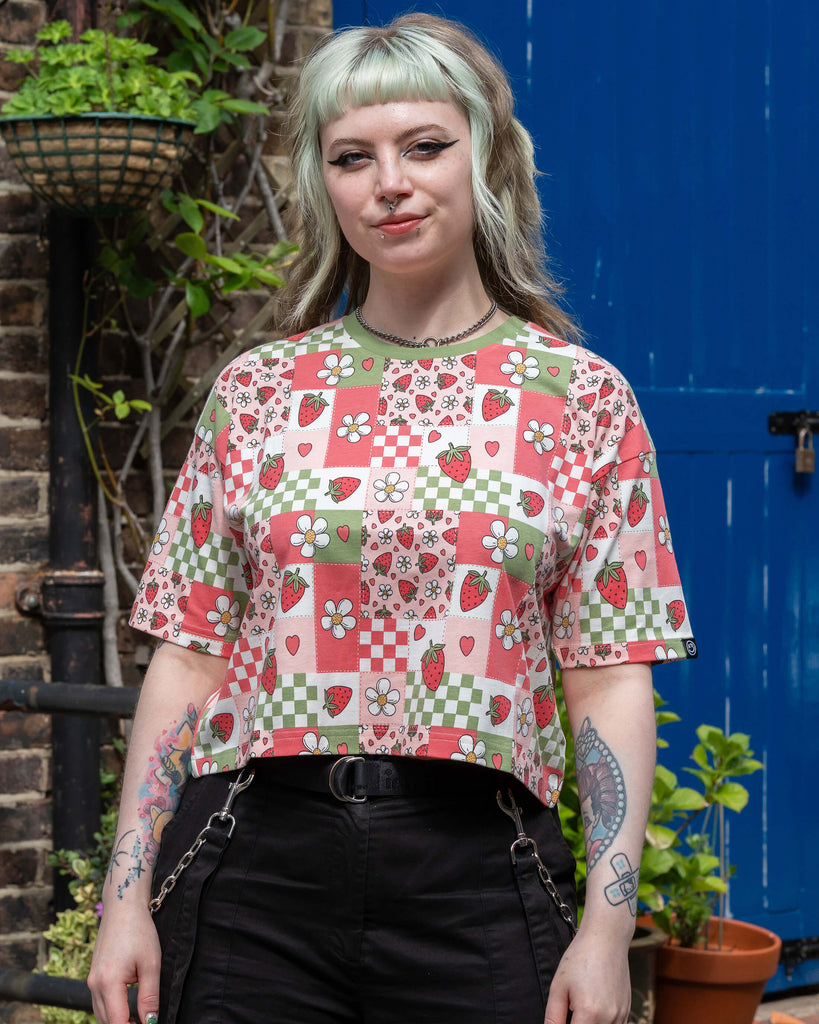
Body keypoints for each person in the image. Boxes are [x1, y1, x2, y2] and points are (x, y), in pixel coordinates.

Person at [88, 13, 697, 1024]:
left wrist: (606, 927)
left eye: (425, 146)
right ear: (324, 182)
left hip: (478, 876)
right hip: (257, 874)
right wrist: (122, 902)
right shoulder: (259, 393)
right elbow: (189, 658)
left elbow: (608, 679)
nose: (391, 182)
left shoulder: (580, 400)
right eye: (352, 157)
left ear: (486, 158)